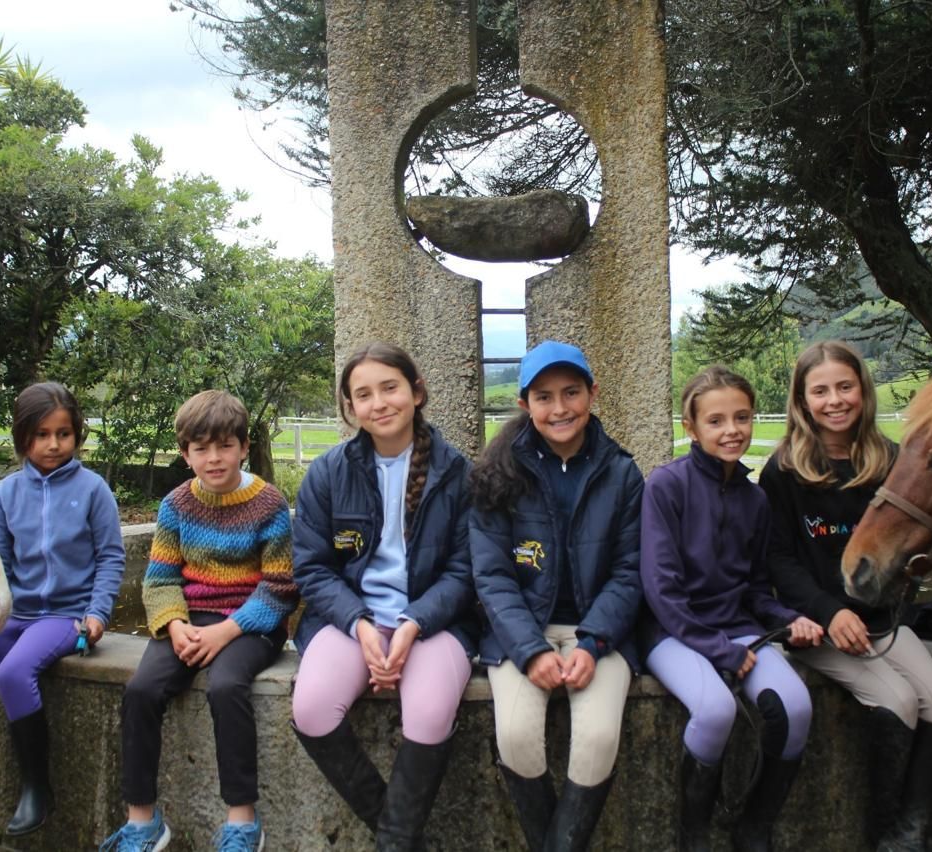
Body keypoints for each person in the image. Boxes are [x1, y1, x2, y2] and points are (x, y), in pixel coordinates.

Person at [759, 341, 932, 852]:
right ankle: (883, 836)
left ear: (862, 391)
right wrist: (830, 612)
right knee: (895, 700)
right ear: (802, 402)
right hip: (819, 627)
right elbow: (779, 560)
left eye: (844, 387)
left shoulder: (890, 461)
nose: (834, 400)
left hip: (881, 621)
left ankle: (911, 829)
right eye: (820, 391)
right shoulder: (784, 470)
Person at [0, 382, 125, 848]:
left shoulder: (93, 491)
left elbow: (111, 558)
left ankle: (37, 788)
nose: (54, 444)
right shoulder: (8, 493)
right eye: (42, 434)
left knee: (14, 673)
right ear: (23, 437)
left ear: (76, 436)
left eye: (64, 434)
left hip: (64, 617)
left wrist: (97, 614)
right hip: (16, 614)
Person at [290, 342, 477, 850]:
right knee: (310, 709)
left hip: (434, 621)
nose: (379, 403)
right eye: (363, 395)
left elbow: (465, 571)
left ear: (416, 392)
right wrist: (360, 624)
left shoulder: (456, 472)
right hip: (354, 619)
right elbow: (312, 568)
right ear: (351, 408)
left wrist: (414, 622)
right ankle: (402, 840)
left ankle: (393, 843)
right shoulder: (329, 473)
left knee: (431, 712)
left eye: (390, 388)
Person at [100, 390, 297, 852]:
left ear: (244, 447)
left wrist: (227, 630)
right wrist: (174, 626)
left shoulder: (268, 503)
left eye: (225, 446)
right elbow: (161, 578)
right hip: (191, 617)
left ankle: (242, 820)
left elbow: (281, 587)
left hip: (253, 622)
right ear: (185, 453)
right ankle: (142, 820)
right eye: (201, 448)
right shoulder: (176, 505)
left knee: (228, 686)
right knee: (142, 690)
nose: (214, 458)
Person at [469, 340, 644, 852]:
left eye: (571, 392)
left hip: (600, 632)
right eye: (544, 397)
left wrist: (592, 643)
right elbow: (492, 575)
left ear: (593, 393)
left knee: (596, 739)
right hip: (520, 631)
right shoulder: (497, 474)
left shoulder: (622, 473)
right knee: (517, 737)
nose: (560, 407)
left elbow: (630, 572)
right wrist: (530, 649)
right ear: (525, 405)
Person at [641, 367, 823, 852]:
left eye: (741, 417)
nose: (732, 430)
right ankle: (693, 836)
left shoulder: (756, 498)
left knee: (796, 707)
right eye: (716, 420)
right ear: (691, 428)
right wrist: (715, 648)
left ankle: (754, 827)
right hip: (672, 635)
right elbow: (661, 589)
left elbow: (758, 591)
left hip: (737, 629)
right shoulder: (665, 486)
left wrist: (789, 620)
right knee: (716, 709)